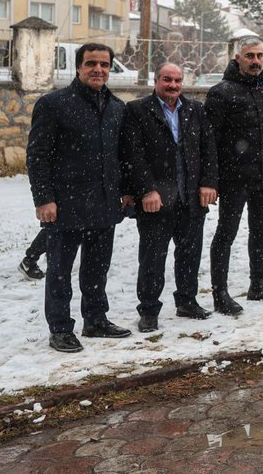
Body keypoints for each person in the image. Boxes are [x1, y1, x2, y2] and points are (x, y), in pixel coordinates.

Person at [27, 42, 131, 353]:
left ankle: (96, 319)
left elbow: (122, 157)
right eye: (91, 64)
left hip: (105, 202)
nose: (98, 69)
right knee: (60, 270)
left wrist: (125, 191)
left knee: (97, 268)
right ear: (78, 67)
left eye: (104, 64)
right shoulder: (53, 104)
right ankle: (59, 327)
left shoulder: (117, 108)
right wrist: (44, 199)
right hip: (65, 205)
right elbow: (38, 156)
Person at [120, 63, 218, 332]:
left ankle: (187, 301)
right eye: (167, 80)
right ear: (155, 81)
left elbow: (208, 149)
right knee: (152, 258)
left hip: (190, 198)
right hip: (156, 201)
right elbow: (133, 155)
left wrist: (209, 183)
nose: (172, 85)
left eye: (177, 80)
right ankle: (149, 310)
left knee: (189, 254)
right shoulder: (138, 110)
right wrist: (146, 191)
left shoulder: (195, 110)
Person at [206, 36, 263, 315]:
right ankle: (220, 293)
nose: (256, 61)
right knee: (227, 233)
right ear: (238, 58)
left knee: (260, 230)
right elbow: (209, 141)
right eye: (250, 56)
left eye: (260, 56)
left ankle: (258, 283)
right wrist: (210, 180)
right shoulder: (221, 93)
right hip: (234, 178)